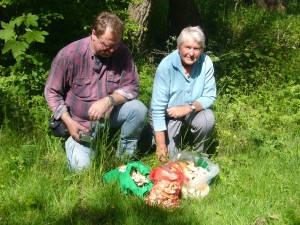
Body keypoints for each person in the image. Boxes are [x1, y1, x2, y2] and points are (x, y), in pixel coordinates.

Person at [44, 12, 147, 171]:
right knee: (82, 169)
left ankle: (124, 159)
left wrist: (109, 100)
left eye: (115, 45)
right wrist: (69, 122)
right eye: (105, 45)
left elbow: (132, 86)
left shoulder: (123, 53)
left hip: (111, 116)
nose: (111, 50)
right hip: (80, 124)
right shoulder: (70, 55)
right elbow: (51, 92)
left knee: (138, 109)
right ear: (93, 34)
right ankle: (80, 146)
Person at [150, 26, 216, 162]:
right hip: (167, 115)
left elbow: (209, 96)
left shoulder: (206, 62)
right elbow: (157, 108)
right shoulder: (166, 66)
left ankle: (200, 157)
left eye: (196, 49)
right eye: (187, 47)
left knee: (207, 118)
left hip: (191, 111)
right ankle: (154, 139)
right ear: (179, 46)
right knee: (170, 159)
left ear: (202, 49)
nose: (191, 53)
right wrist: (161, 145)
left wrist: (188, 108)